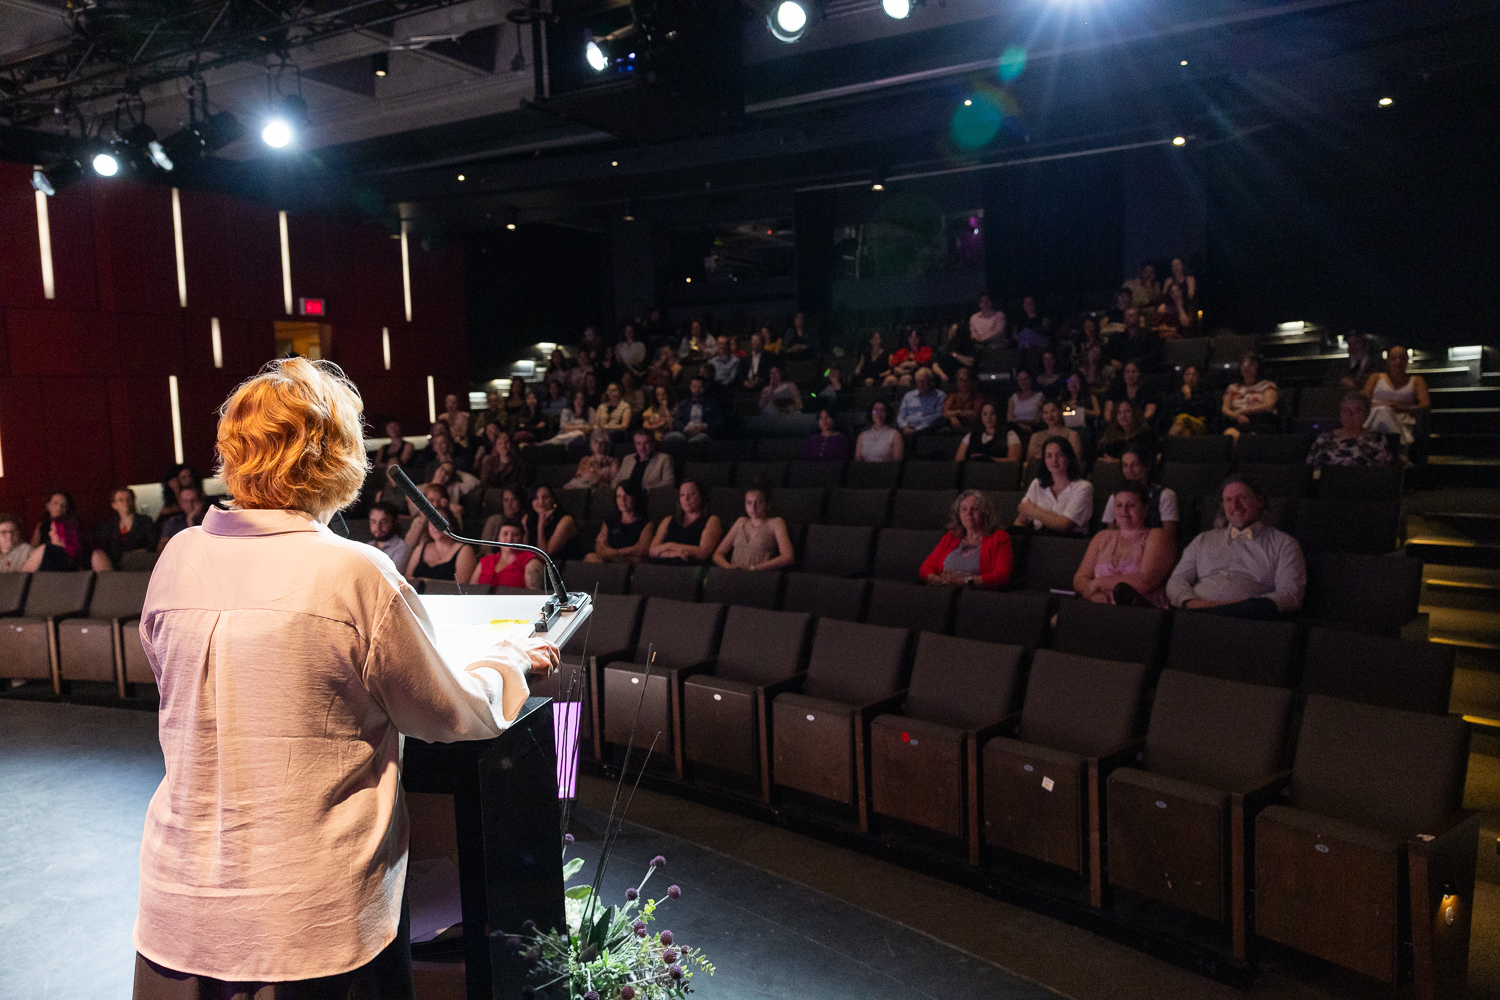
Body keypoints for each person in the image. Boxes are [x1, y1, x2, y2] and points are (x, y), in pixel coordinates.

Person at [132, 355, 559, 1000]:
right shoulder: (351, 572)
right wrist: (508, 662)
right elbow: (449, 711)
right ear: (336, 456)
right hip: (312, 918)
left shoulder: (179, 555)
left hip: (183, 903)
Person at [1166, 475, 1306, 619]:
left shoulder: (1284, 544)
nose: (1235, 505)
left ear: (1259, 501)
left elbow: (1291, 594)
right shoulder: (1202, 539)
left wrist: (1246, 605)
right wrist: (1191, 603)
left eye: (1242, 498)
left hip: (1247, 621)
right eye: (1228, 500)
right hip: (1196, 615)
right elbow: (1177, 581)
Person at [1073, 481, 1173, 607]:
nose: (1124, 511)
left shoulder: (1157, 536)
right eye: (1119, 505)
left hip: (1139, 610)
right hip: (1099, 605)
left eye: (1132, 505)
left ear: (1145, 509)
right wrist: (1094, 593)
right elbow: (1080, 578)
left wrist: (1098, 583)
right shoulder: (1101, 537)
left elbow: (1146, 581)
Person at [918, 491, 1013, 588]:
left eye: (974, 509)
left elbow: (1002, 575)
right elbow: (925, 568)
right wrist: (938, 580)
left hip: (976, 595)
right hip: (943, 590)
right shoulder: (950, 537)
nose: (969, 513)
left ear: (984, 513)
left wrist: (965, 581)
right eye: (964, 509)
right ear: (958, 515)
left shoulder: (999, 537)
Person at [1101, 442, 1180, 540]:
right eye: (1125, 465)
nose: (1129, 470)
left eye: (1135, 465)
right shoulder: (1116, 496)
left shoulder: (1165, 495)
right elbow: (1110, 532)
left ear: (1147, 466)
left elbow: (1168, 536)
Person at [1016, 438, 1093, 535]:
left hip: (1068, 541)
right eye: (1049, 456)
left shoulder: (1083, 487)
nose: (1054, 460)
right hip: (1039, 539)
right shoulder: (1037, 483)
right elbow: (1022, 519)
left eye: (1059, 455)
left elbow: (1064, 525)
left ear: (1069, 458)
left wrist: (1032, 510)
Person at [1362, 344, 1430, 451]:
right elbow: (1363, 401)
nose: (1398, 362)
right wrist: (1384, 407)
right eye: (1394, 358)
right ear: (1388, 361)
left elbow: (1425, 405)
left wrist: (1402, 408)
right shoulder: (1376, 377)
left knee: (1388, 414)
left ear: (1407, 360)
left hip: (1402, 419)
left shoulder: (1416, 380)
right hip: (1375, 418)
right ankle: (1401, 449)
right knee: (1383, 411)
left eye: (1402, 358)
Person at [405, 485, 478, 584]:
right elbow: (407, 578)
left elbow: (462, 585)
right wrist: (423, 518)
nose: (435, 504)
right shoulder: (420, 548)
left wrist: (426, 582)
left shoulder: (464, 550)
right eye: (432, 522)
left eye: (440, 521)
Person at [712, 489, 795, 572]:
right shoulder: (740, 522)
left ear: (767, 504)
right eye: (749, 503)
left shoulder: (775, 523)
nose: (753, 507)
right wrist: (728, 567)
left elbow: (788, 557)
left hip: (758, 576)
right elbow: (717, 554)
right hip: (733, 575)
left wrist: (753, 569)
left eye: (759, 502)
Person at [1307, 393, 1395, 468]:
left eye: (1356, 411)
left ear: (1366, 415)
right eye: (1346, 410)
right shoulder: (1324, 438)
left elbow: (1383, 473)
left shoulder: (1376, 439)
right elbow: (1309, 467)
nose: (1350, 414)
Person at [647, 481, 723, 565]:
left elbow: (703, 553)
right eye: (682, 495)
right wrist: (672, 552)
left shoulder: (712, 520)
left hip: (689, 568)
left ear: (701, 496)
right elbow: (652, 551)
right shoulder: (668, 520)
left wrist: (668, 547)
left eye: (691, 494)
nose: (686, 498)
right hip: (663, 565)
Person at [584, 484, 653, 564]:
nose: (622, 500)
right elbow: (599, 550)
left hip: (628, 565)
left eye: (626, 496)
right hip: (607, 564)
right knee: (591, 557)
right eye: (619, 496)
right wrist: (623, 551)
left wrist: (610, 552)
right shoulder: (610, 522)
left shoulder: (645, 524)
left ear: (634, 497)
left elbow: (640, 552)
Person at [470, 520, 545, 590]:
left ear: (521, 539)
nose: (509, 539)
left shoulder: (530, 561)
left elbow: (534, 594)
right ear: (498, 537)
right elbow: (471, 590)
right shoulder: (486, 561)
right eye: (505, 534)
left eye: (515, 535)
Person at [95, 487, 158, 571]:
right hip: (115, 565)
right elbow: (105, 547)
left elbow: (153, 544)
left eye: (128, 499)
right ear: (114, 505)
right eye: (121, 500)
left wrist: (142, 551)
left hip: (138, 563)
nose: (125, 503)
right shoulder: (109, 527)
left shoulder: (145, 521)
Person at [1221, 353, 1280, 440]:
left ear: (1258, 368)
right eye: (1244, 364)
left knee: (1251, 439)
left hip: (1261, 420)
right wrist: (1236, 415)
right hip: (1238, 421)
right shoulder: (1232, 388)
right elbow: (1225, 408)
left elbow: (1269, 405)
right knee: (1230, 435)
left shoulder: (1267, 385)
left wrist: (1244, 410)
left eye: (1251, 364)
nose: (1246, 367)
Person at [522, 485, 578, 561]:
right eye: (536, 498)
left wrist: (540, 525)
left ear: (552, 499)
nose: (541, 502)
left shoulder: (566, 520)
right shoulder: (527, 518)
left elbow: (544, 555)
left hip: (564, 565)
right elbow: (523, 550)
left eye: (545, 497)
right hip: (535, 563)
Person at [664, 377, 724, 448]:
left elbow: (719, 421)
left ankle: (687, 447)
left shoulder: (712, 403)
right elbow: (676, 421)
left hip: (702, 432)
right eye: (694, 387)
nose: (697, 390)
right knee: (670, 436)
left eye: (700, 387)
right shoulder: (685, 403)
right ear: (690, 387)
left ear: (705, 387)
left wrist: (704, 426)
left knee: (703, 437)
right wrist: (686, 428)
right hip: (686, 432)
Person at [1160, 365, 1217, 436]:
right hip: (1180, 426)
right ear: (1183, 377)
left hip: (1199, 426)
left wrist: (1188, 397)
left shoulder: (1206, 395)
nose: (1190, 378)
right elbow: (1168, 413)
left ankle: (1168, 441)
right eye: (1187, 375)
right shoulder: (1176, 395)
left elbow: (1201, 413)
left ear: (1199, 377)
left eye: (1194, 375)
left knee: (1183, 417)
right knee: (1186, 433)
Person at [956, 402, 1022, 463]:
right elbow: (959, 461)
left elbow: (1014, 460)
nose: (988, 417)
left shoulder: (1009, 434)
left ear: (998, 415)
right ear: (981, 416)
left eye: (992, 413)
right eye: (985, 414)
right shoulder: (971, 435)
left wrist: (988, 459)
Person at [21, 513, 89, 572]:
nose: (50, 533)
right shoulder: (83, 556)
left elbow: (23, 577)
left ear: (63, 534)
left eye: (53, 530)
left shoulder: (46, 550)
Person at [1096, 399, 1156, 464]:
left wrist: (1117, 462)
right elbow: (1098, 456)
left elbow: (1149, 460)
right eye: (1119, 413)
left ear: (1135, 413)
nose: (1123, 416)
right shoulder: (1109, 435)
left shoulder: (1146, 434)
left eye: (1127, 412)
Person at [1025, 400, 1083, 465]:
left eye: (1053, 411)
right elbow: (1029, 462)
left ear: (1060, 411)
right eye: (1045, 413)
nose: (1049, 416)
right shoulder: (1035, 436)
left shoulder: (1071, 435)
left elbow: (1075, 461)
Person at [1105, 359, 1159, 425]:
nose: (1130, 374)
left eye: (1134, 372)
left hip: (1140, 424)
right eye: (1127, 372)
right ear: (1123, 374)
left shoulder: (1148, 390)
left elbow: (1150, 412)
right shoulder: (1116, 389)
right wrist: (1115, 424)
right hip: (1118, 425)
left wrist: (1134, 424)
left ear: (1139, 373)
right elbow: (1107, 411)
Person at [896, 369, 947, 437]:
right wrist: (904, 427)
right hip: (907, 430)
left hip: (928, 432)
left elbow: (937, 416)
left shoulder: (940, 396)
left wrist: (917, 429)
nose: (926, 384)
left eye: (928, 381)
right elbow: (901, 416)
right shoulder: (908, 396)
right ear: (916, 383)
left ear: (931, 381)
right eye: (922, 382)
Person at [157, 486, 208, 552]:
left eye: (193, 500)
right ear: (180, 503)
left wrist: (190, 521)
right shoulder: (172, 522)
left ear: (200, 502)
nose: (190, 505)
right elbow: (161, 549)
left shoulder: (209, 520)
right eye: (185, 501)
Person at [366, 500, 409, 571]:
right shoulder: (366, 547)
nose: (378, 527)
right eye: (373, 522)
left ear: (395, 521)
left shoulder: (402, 548)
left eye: (383, 522)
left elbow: (392, 576)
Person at [941, 367, 982, 431]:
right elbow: (945, 412)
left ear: (971, 381)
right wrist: (952, 417)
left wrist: (958, 412)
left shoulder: (977, 396)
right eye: (961, 380)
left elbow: (975, 414)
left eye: (966, 380)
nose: (963, 383)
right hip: (954, 430)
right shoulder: (953, 396)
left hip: (972, 430)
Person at [1007, 369, 1045, 436]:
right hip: (1016, 430)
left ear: (1031, 379)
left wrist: (1018, 420)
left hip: (1034, 429)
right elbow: (1009, 419)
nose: (1023, 382)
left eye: (1025, 379)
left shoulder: (1039, 397)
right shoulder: (1013, 398)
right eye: (1020, 380)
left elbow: (1038, 419)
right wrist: (1022, 425)